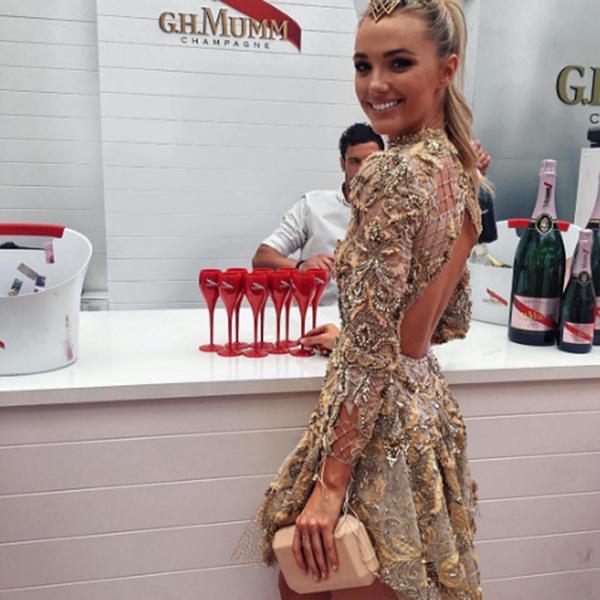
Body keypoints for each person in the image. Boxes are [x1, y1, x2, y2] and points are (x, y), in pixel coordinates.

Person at [247, 0, 485, 597]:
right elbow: (448, 323)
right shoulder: (459, 171)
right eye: (362, 65)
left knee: (312, 578)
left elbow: (378, 346)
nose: (375, 84)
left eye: (398, 63)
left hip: (378, 433)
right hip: (426, 410)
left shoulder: (389, 172)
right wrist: (355, 334)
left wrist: (331, 485)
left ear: (447, 69)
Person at [252, 123, 384, 304]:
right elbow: (262, 258)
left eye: (371, 161)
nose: (363, 170)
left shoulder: (400, 211)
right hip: (316, 313)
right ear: (342, 164)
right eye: (354, 161)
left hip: (378, 316)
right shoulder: (312, 205)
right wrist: (301, 267)